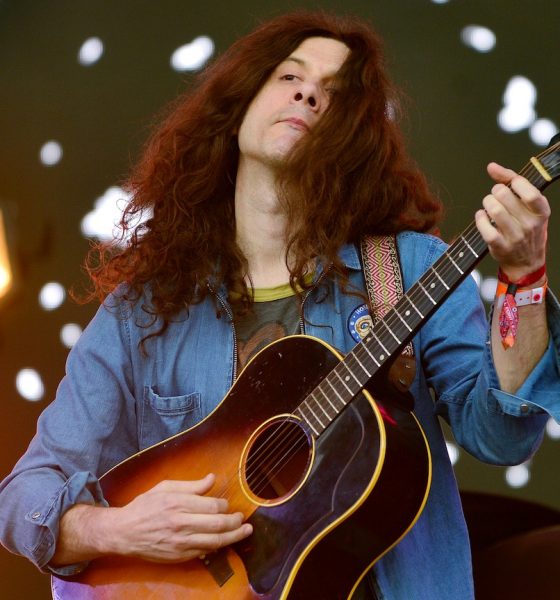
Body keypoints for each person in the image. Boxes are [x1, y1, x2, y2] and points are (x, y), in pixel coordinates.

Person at [0, 10, 558, 600]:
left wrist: (524, 277)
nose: (308, 94)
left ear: (353, 137)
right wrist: (116, 526)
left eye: (333, 95)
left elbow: (502, 438)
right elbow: (24, 494)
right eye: (288, 77)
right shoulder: (142, 310)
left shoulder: (408, 270)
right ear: (240, 103)